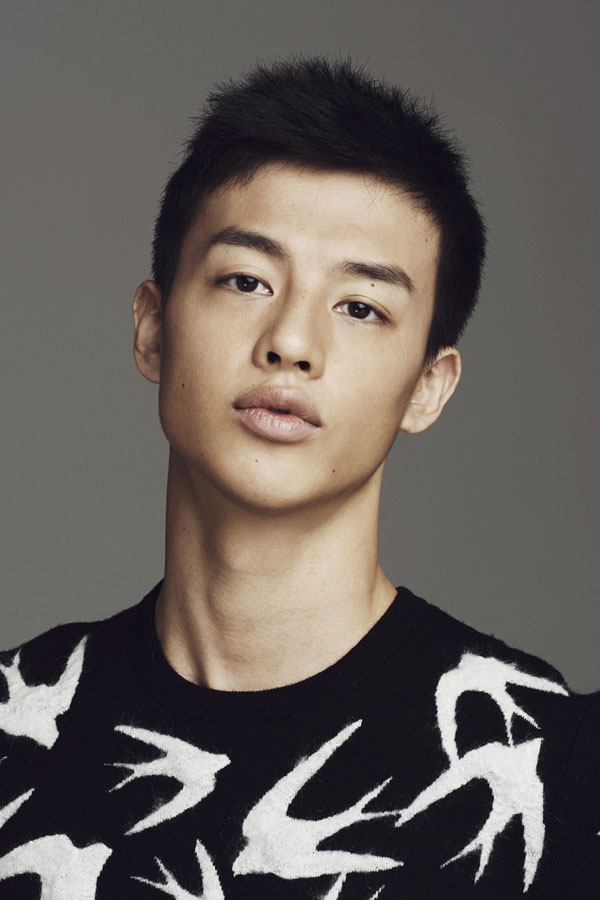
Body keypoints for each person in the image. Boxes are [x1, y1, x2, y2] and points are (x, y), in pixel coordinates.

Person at [0, 55, 597, 900]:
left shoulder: (544, 763)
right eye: (246, 280)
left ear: (427, 387)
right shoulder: (18, 726)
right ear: (153, 329)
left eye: (361, 307)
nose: (291, 342)